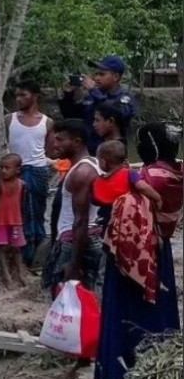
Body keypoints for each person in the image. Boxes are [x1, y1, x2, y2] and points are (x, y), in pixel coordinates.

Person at [96, 123, 182, 379]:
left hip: (135, 253)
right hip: (161, 249)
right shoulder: (177, 172)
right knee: (159, 310)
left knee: (128, 314)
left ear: (150, 147)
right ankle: (160, 365)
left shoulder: (148, 178)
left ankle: (122, 368)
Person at [41, 119, 102, 295]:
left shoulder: (82, 172)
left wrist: (73, 264)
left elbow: (81, 219)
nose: (55, 144)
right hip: (78, 238)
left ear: (76, 141)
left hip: (74, 241)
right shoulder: (89, 164)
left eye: (60, 140)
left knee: (65, 297)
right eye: (55, 139)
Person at [5, 79, 54, 266]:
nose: (19, 99)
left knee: (38, 212)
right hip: (16, 172)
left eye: (23, 95)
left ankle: (37, 254)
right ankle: (21, 255)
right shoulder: (9, 119)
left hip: (38, 171)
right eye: (17, 95)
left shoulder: (47, 123)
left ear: (35, 96)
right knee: (18, 214)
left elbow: (49, 151)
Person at [58, 55, 137, 155]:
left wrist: (94, 91)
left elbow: (119, 114)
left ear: (116, 77)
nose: (96, 78)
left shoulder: (125, 98)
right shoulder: (90, 96)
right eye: (96, 74)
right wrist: (68, 95)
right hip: (88, 152)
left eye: (102, 74)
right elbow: (71, 117)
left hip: (112, 154)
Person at [92, 140, 161, 231]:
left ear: (103, 162)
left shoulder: (99, 181)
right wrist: (157, 198)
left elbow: (95, 200)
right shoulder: (129, 174)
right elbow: (143, 187)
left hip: (108, 223)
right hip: (129, 222)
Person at [0, 153, 29, 289]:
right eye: (1, 168)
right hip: (0, 222)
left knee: (16, 248)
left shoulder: (22, 185)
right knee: (1, 249)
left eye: (7, 168)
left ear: (17, 170)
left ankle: (21, 274)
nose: (3, 171)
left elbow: (23, 203)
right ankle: (7, 276)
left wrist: (20, 217)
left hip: (16, 221)